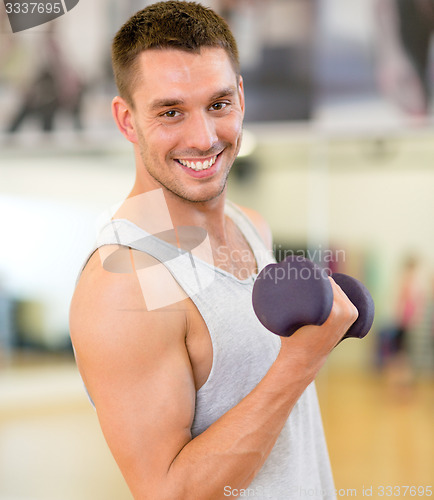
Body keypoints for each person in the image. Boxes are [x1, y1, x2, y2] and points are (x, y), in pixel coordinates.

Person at [69, 2, 358, 499]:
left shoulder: (251, 227)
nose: (203, 138)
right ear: (126, 119)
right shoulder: (126, 279)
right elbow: (169, 492)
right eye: (171, 112)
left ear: (241, 98)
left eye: (218, 104)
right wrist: (300, 363)